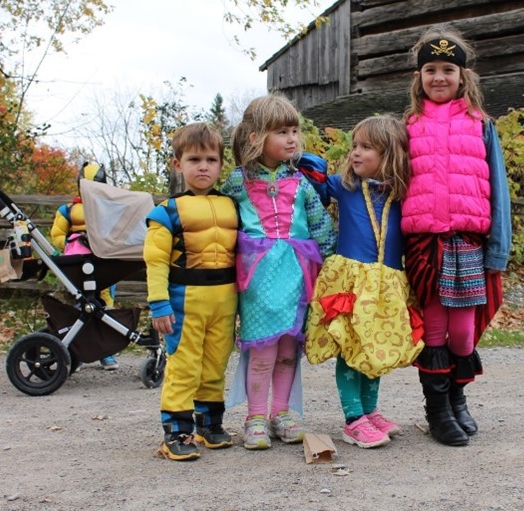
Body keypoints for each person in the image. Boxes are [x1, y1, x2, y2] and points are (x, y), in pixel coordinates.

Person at [402, 27, 512, 446]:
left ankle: (458, 400)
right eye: (430, 69)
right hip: (424, 245)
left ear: (463, 76)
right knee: (433, 328)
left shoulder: (481, 125)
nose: (439, 77)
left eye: (448, 69)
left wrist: (498, 250)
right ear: (419, 77)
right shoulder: (407, 127)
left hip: (468, 242)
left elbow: (498, 189)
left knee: (463, 331)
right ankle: (437, 410)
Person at [222, 94, 336, 450]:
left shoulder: (302, 183)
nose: (291, 139)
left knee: (289, 347)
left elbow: (320, 224)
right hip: (257, 274)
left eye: (294, 131)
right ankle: (254, 416)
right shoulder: (237, 182)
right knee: (263, 349)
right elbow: (221, 222)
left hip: (299, 273)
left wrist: (332, 263)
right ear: (255, 137)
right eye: (281, 132)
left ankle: (281, 413)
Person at [305, 116, 424, 449]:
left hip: (387, 282)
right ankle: (353, 418)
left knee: (376, 343)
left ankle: (370, 411)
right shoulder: (344, 186)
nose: (355, 153)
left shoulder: (402, 193)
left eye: (366, 147)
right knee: (350, 344)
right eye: (354, 146)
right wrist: (309, 160)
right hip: (350, 280)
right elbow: (311, 184)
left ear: (389, 154)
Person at [144, 122, 239, 461]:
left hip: (225, 299)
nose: (203, 166)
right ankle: (177, 431)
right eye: (194, 159)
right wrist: (158, 304)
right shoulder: (165, 212)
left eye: (211, 159)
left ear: (220, 164)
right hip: (185, 300)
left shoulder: (233, 206)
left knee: (215, 364)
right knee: (185, 365)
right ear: (177, 164)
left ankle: (210, 424)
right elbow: (155, 261)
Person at [50, 161, 119, 370]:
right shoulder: (67, 211)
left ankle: (107, 352)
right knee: (78, 309)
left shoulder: (109, 210)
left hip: (103, 265)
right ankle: (74, 353)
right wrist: (75, 242)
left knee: (105, 307)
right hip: (78, 266)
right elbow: (57, 236)